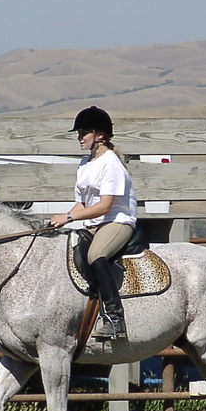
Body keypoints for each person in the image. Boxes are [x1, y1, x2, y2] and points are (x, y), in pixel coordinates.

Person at [50, 106, 137, 340]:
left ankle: (115, 319)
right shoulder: (85, 163)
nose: (79, 138)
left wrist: (69, 218)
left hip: (117, 221)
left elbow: (104, 206)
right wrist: (60, 221)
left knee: (96, 255)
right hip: (93, 223)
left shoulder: (111, 164)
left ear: (100, 135)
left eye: (83, 133)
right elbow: (82, 204)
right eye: (79, 134)